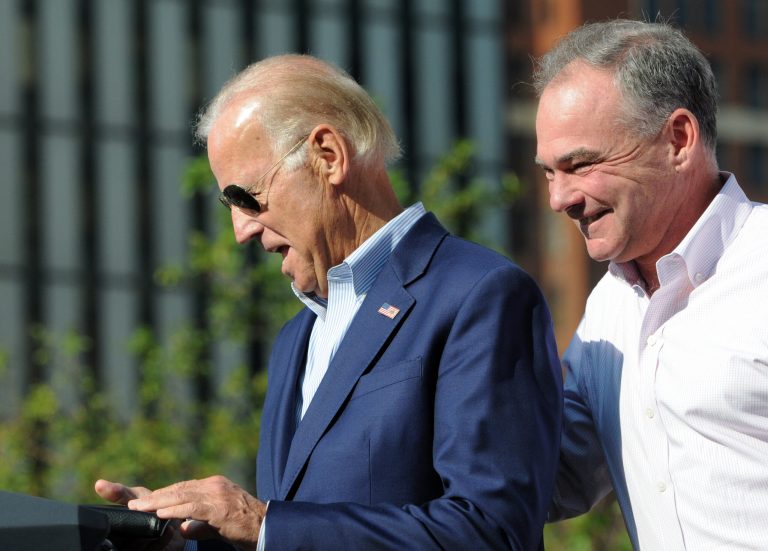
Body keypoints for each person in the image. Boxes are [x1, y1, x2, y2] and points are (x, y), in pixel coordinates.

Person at [96, 54, 563, 550]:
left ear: (327, 156)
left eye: (247, 196)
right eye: (228, 206)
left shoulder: (479, 294)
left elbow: (491, 532)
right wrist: (186, 538)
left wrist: (263, 524)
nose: (241, 231)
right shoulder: (294, 339)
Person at [533, 18, 768, 550]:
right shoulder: (608, 308)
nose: (559, 198)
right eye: (550, 171)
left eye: (582, 164)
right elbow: (560, 474)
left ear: (678, 140)